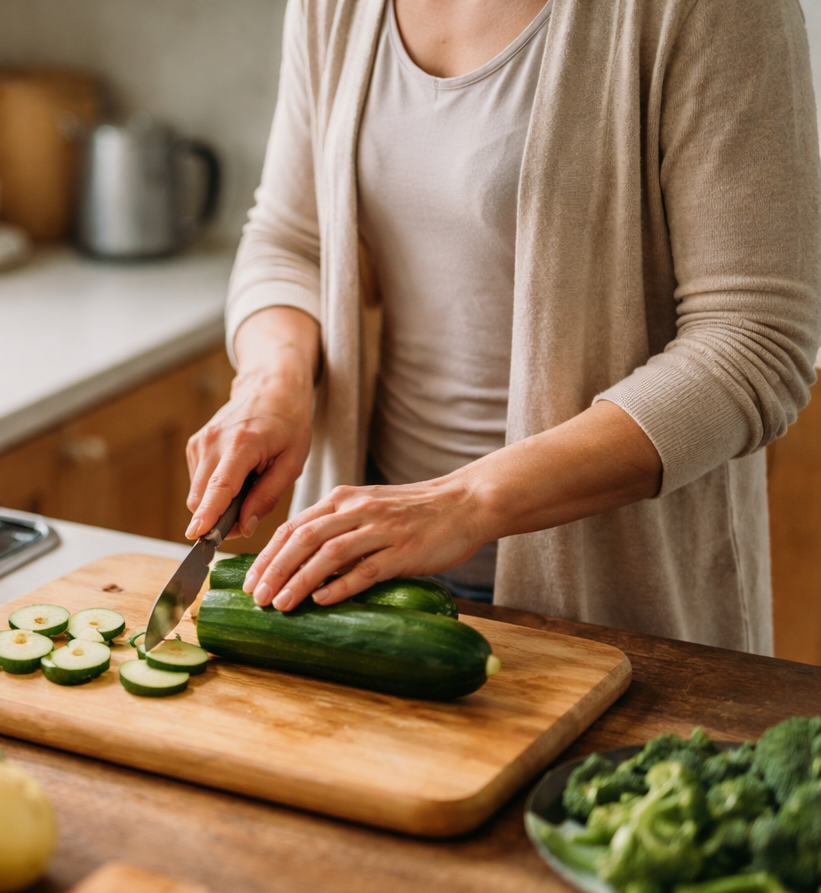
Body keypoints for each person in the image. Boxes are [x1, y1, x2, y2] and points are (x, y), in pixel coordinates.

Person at [185, 0, 821, 653]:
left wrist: (462, 503)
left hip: (611, 608)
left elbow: (754, 343)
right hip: (365, 578)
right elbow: (293, 238)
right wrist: (272, 379)